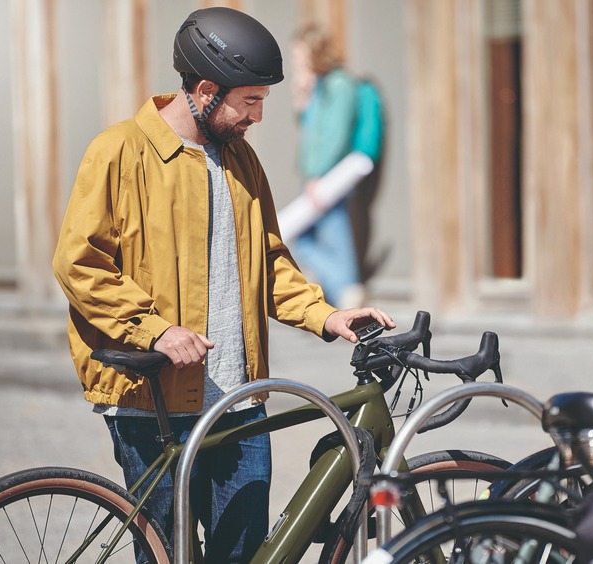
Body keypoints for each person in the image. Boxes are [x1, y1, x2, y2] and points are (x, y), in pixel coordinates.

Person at [51, 7, 394, 562]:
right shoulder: (118, 152)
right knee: (166, 554)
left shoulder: (241, 159)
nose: (258, 117)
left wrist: (325, 315)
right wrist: (154, 330)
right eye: (250, 101)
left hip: (240, 400)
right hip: (151, 403)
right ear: (207, 90)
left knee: (244, 552)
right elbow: (79, 264)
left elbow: (270, 261)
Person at [288, 24, 376, 309]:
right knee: (317, 234)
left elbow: (335, 136)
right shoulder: (320, 84)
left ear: (314, 51)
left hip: (331, 176)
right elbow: (308, 130)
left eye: (299, 53)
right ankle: (343, 290)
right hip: (317, 174)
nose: (295, 60)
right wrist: (302, 97)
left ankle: (348, 289)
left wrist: (317, 175)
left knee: (329, 231)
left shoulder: (339, 84)